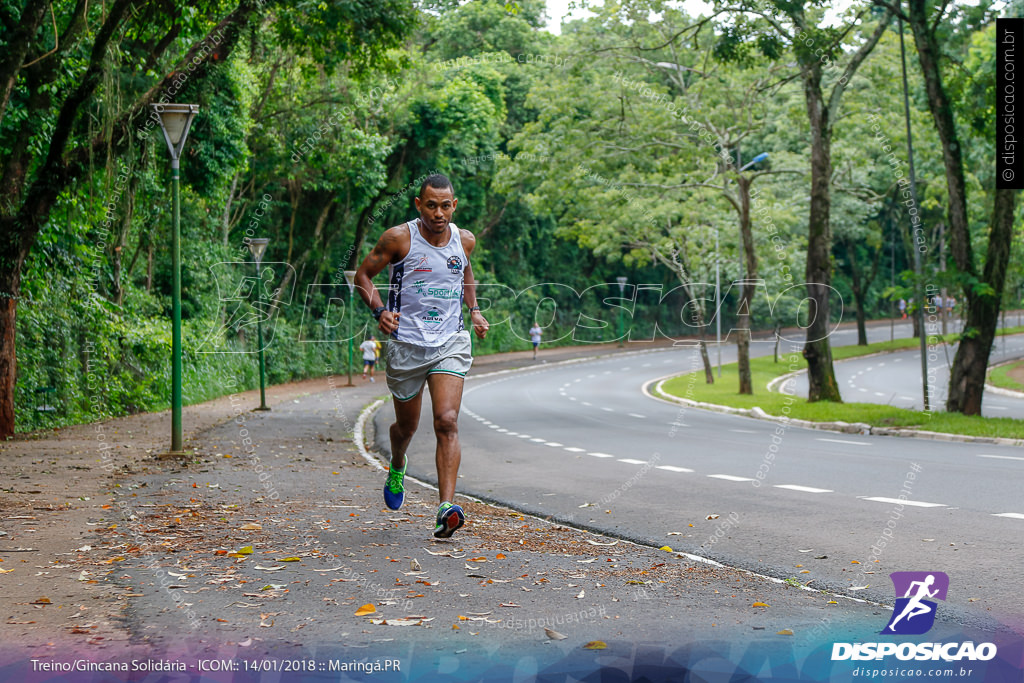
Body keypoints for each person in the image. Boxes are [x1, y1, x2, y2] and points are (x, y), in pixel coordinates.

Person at [354, 173, 489, 539]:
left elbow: (465, 271)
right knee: (406, 428)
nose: (439, 213)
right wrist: (379, 310)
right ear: (418, 204)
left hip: (450, 340)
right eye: (431, 205)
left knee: (446, 420)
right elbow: (364, 276)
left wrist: (474, 309)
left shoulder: (464, 241)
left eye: (445, 206)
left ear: (454, 205)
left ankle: (446, 507)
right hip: (406, 344)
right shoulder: (399, 238)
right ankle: (397, 464)